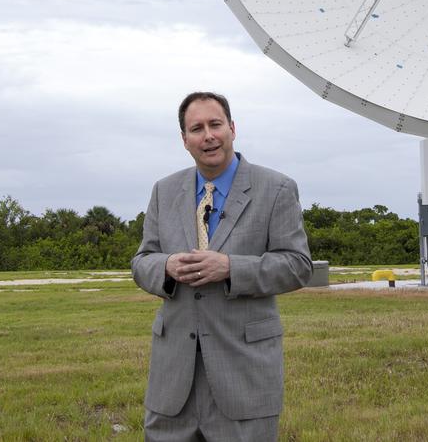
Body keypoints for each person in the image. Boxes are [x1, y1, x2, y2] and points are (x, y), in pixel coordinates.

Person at [132, 91, 312, 441]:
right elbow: (142, 262)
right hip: (173, 383)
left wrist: (230, 268)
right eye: (196, 128)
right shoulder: (163, 191)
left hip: (243, 376)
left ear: (232, 128)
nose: (208, 135)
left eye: (215, 124)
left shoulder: (276, 189)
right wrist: (166, 266)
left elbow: (297, 264)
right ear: (184, 140)